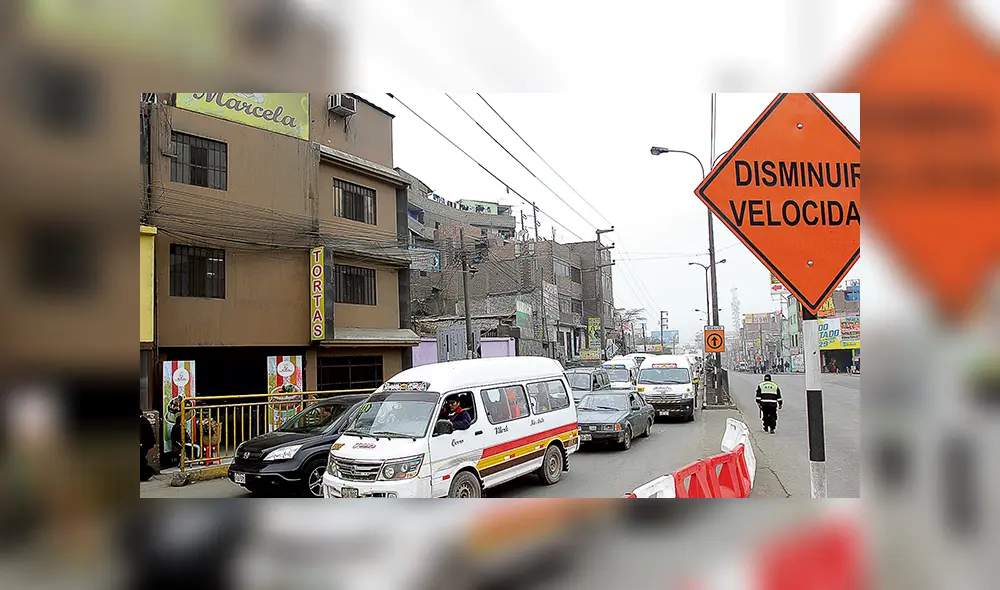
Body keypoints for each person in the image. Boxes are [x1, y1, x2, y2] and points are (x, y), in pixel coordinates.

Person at [140, 409, 156, 481]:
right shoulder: (143, 420)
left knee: (141, 458)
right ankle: (145, 474)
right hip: (146, 443)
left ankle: (147, 473)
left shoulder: (142, 422)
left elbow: (142, 434)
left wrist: (141, 443)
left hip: (144, 444)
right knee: (141, 458)